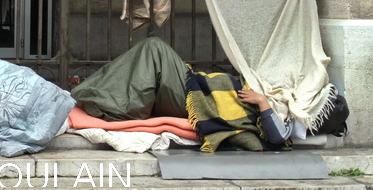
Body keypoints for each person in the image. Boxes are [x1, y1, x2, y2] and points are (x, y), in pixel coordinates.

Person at [70, 36, 297, 150]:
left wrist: (263, 102)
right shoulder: (278, 89)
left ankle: (96, 99)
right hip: (194, 87)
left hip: (193, 97)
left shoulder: (291, 108)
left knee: (154, 47)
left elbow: (277, 138)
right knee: (149, 55)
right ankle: (92, 96)